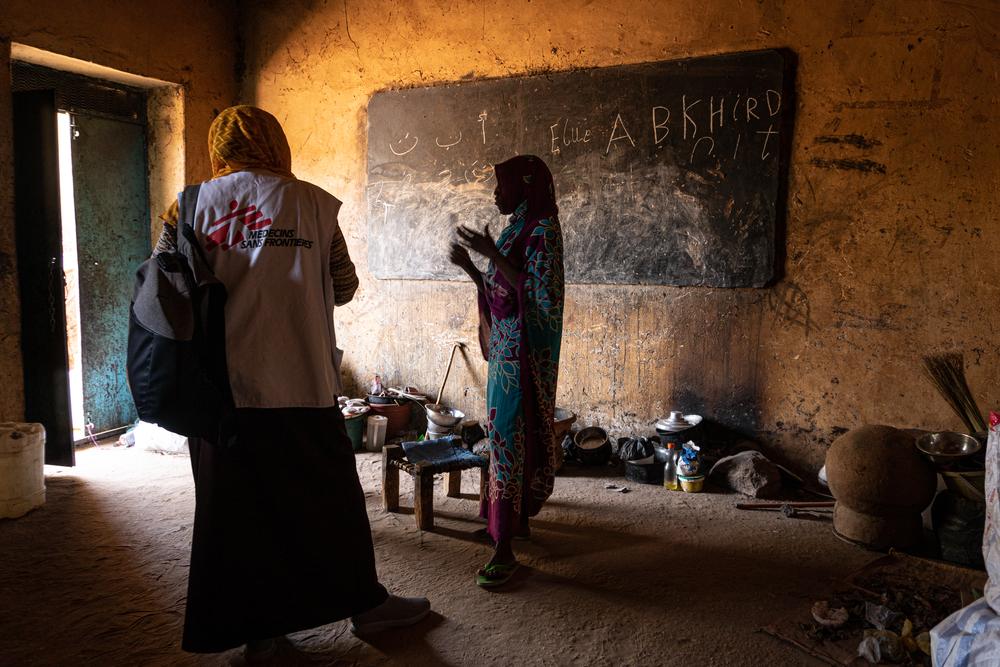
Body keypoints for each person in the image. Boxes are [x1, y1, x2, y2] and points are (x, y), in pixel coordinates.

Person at [154, 105, 429, 660]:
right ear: (276, 144)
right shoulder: (314, 204)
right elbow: (345, 286)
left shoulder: (188, 206)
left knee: (236, 515)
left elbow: (163, 287)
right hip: (301, 379)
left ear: (219, 148)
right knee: (330, 501)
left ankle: (264, 637)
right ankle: (366, 607)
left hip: (222, 393)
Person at [449, 154, 565, 588]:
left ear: (525, 184)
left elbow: (534, 292)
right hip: (504, 352)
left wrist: (491, 252)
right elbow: (501, 288)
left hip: (522, 357)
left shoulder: (543, 230)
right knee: (501, 439)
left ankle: (505, 551)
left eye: (503, 185)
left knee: (512, 441)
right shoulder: (518, 226)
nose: (496, 193)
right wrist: (471, 268)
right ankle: (509, 526)